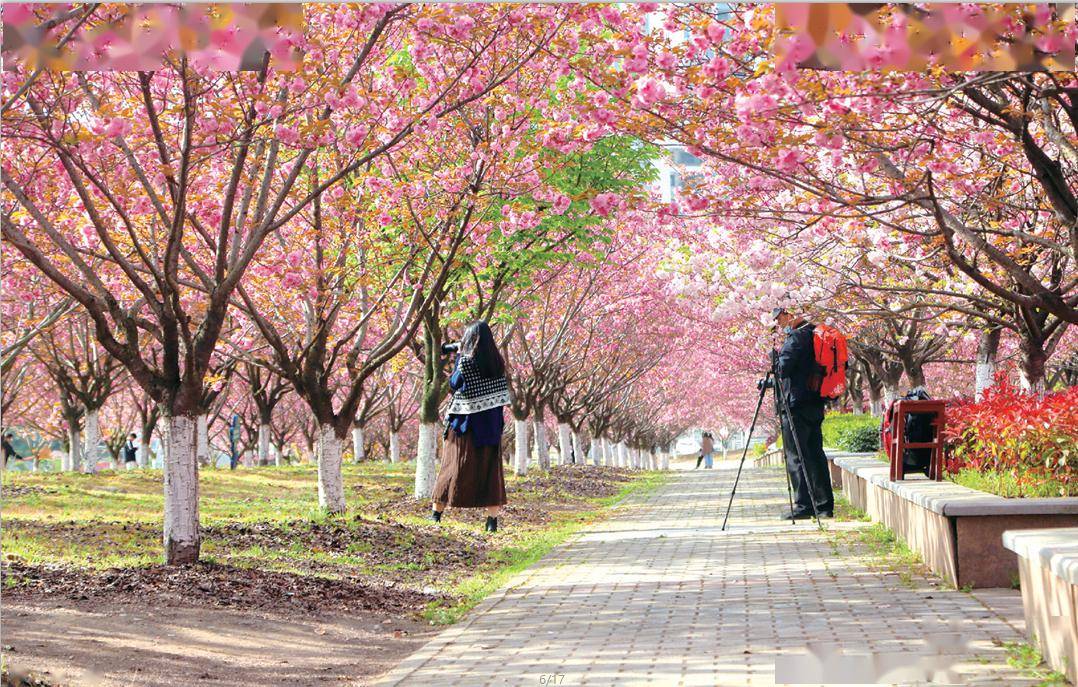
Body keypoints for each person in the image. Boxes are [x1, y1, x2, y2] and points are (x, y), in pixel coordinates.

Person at [431, 321, 511, 533]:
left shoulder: (465, 362)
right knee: (491, 473)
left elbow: (454, 383)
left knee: (451, 467)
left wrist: (458, 358)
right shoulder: (498, 362)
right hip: (491, 427)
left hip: (466, 426)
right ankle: (492, 521)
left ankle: (436, 515)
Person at [772, 307, 835, 520]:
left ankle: (803, 505)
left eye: (779, 318)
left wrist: (776, 360)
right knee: (816, 454)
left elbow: (783, 369)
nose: (779, 323)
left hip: (796, 406)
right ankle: (824, 505)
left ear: (790, 315)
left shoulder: (796, 337)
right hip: (815, 403)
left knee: (796, 455)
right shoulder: (816, 335)